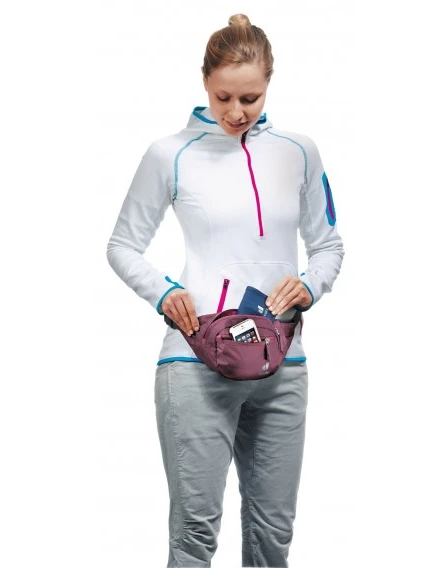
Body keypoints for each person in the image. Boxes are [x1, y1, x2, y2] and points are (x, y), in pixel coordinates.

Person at [107, 13, 344, 567]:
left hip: (284, 363)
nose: (236, 112)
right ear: (204, 83)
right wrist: (162, 292)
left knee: (272, 534)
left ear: (269, 85)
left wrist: (309, 285)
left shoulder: (298, 151)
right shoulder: (170, 153)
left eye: (250, 98)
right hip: (194, 362)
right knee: (195, 532)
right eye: (223, 97)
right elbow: (121, 245)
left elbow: (329, 245)